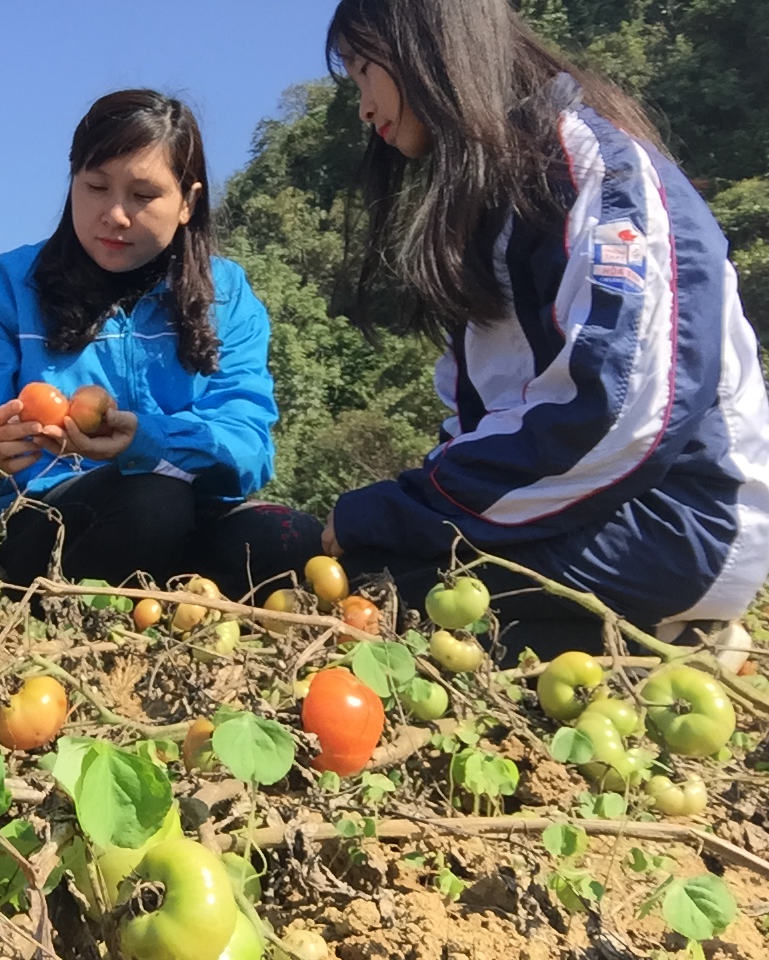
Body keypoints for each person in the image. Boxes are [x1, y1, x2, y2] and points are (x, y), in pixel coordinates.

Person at [319, 0, 769, 660]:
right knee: (367, 572)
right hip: (602, 505)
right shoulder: (489, 208)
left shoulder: (595, 170)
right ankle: (655, 637)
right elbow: (484, 417)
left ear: (431, 46)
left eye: (364, 69)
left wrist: (400, 511)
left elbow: (616, 410)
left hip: (679, 517)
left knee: (395, 597)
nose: (363, 106)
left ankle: (674, 636)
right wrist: (406, 511)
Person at [0, 89, 323, 603]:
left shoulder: (227, 297)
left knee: (295, 540)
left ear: (189, 203)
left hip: (191, 518)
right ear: (72, 183)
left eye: (143, 196)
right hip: (45, 524)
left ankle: (175, 614)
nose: (115, 214)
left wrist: (148, 440)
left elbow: (249, 448)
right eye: (95, 186)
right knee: (152, 504)